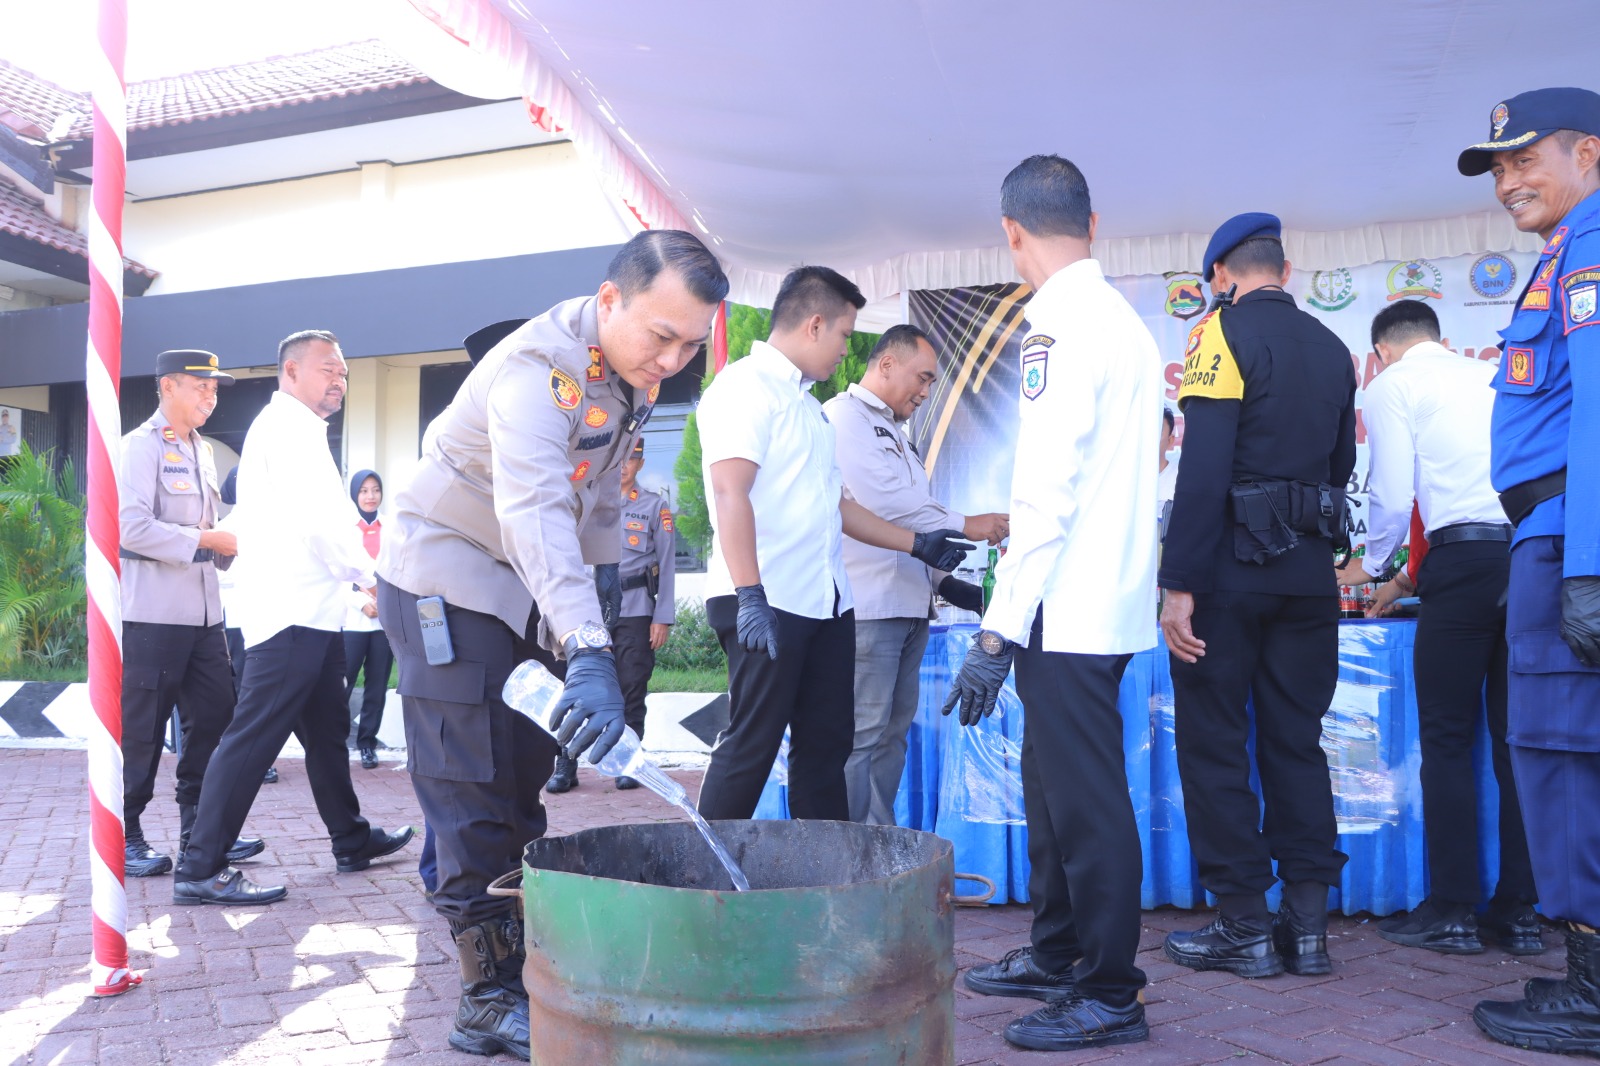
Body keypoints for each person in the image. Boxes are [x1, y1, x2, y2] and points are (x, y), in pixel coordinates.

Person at [377, 231, 728, 1060]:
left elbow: (600, 495)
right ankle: (483, 995)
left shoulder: (630, 370)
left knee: (525, 773)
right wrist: (590, 648)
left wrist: (598, 603)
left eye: (690, 342)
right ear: (610, 301)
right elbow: (533, 508)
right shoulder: (538, 373)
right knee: (472, 784)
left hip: (523, 590)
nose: (674, 358)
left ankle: (522, 952)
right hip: (447, 576)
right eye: (662, 335)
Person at [943, 154, 1159, 1052]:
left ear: (1012, 233)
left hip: (1065, 607)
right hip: (1093, 600)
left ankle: (1110, 990)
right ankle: (1059, 949)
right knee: (1055, 784)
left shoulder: (1057, 328)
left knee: (1086, 802)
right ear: (1094, 224)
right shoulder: (1123, 322)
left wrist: (995, 631)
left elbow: (1045, 495)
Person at [694, 266, 973, 824]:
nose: (846, 351)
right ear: (815, 325)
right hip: (767, 600)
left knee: (827, 750)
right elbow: (730, 493)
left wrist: (918, 544)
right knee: (751, 744)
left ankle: (821, 881)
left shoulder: (806, 407)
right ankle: (700, 885)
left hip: (829, 603)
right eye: (846, 335)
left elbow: (838, 509)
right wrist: (750, 594)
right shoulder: (744, 387)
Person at [1158, 212, 1358, 980]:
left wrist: (1179, 585)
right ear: (1287, 267)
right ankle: (1307, 931)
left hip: (1231, 575)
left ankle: (1243, 923)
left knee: (1213, 744)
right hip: (1308, 575)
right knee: (1295, 742)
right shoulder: (1337, 351)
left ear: (1222, 276)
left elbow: (1202, 469)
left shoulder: (1221, 335)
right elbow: (1338, 467)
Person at [1455, 87, 1600, 1055]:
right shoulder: (1564, 250)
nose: (1508, 181)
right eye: (1496, 167)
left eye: (1522, 159)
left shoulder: (1588, 249)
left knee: (1559, 758)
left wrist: (1585, 564)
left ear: (1587, 150)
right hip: (1549, 531)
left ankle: (1591, 990)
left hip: (1568, 535)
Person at [172, 330, 413, 907]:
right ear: (291, 371)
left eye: (345, 373)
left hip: (313, 611)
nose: (339, 380)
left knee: (329, 732)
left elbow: (316, 526)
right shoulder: (286, 430)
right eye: (328, 369)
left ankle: (350, 839)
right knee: (252, 737)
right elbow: (321, 525)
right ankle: (201, 865)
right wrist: (369, 579)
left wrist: (353, 589)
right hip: (289, 614)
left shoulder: (298, 429)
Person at [1337, 300, 1539, 957]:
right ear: (1442, 339)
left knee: (1448, 739)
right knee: (1517, 744)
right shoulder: (1487, 375)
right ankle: (1520, 912)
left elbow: (1393, 496)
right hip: (1526, 555)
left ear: (1382, 353)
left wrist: (1366, 567)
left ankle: (1452, 908)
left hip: (1460, 562)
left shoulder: (1393, 385)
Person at [822, 324, 1004, 824]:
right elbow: (889, 505)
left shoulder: (895, 435)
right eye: (921, 379)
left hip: (909, 606)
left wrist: (952, 587)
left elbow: (912, 535)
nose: (925, 392)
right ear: (885, 365)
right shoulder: (844, 418)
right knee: (862, 736)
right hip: (868, 608)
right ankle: (852, 852)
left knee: (891, 735)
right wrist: (971, 524)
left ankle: (878, 842)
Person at [118, 350, 263, 876]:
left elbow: (201, 528)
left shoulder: (202, 450)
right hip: (153, 615)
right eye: (201, 387)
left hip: (204, 616)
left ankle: (199, 830)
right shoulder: (138, 447)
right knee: (142, 730)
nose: (211, 397)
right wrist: (205, 537)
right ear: (168, 387)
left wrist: (221, 545)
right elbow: (128, 528)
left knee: (215, 720)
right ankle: (125, 835)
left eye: (215, 389)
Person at [605, 438, 678, 791]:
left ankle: (627, 761)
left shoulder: (653, 506)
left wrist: (662, 616)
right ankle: (565, 763)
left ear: (640, 463)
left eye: (629, 460)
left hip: (636, 609)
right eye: (617, 459)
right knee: (576, 682)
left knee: (631, 686)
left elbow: (666, 564)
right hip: (591, 608)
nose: (622, 466)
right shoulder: (589, 501)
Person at [218, 466, 278, 785]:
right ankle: (248, 759)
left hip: (268, 620)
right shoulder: (226, 527)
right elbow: (217, 578)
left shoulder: (273, 525)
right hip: (237, 622)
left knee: (259, 693)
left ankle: (259, 757)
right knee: (243, 692)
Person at [344, 469, 393, 770]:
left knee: (377, 685)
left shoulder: (393, 527)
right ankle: (334, 741)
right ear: (355, 494)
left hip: (384, 622)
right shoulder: (345, 529)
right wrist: (361, 602)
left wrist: (383, 603)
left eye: (375, 490)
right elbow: (338, 575)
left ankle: (367, 744)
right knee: (343, 683)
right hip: (352, 620)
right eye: (364, 491)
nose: (370, 496)